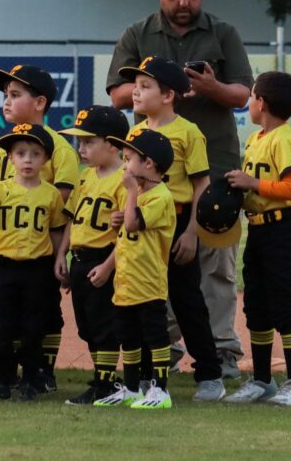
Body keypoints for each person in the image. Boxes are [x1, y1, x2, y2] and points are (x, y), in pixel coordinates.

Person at [107, 0, 253, 378]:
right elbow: (117, 94)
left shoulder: (222, 33)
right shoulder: (137, 34)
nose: (185, 2)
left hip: (217, 167)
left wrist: (210, 86)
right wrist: (158, 84)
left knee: (216, 264)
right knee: (154, 257)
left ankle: (223, 349)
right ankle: (163, 342)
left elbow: (243, 94)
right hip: (153, 176)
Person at [121, 56, 225, 402]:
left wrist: (193, 232)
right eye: (135, 85)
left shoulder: (187, 132)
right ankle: (147, 378)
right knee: (143, 298)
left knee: (186, 300)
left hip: (176, 221)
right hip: (141, 221)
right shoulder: (135, 133)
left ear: (168, 95)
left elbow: (201, 186)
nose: (135, 92)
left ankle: (210, 375)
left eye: (145, 86)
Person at [0, 64, 80, 391]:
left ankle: (41, 372)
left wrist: (58, 254)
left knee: (43, 314)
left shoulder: (58, 147)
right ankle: (6, 374)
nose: (6, 102)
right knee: (4, 316)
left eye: (15, 95)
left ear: (39, 103)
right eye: (5, 95)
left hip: (41, 247)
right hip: (3, 247)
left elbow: (59, 203)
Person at [224, 72, 291, 406]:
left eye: (252, 96)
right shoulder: (257, 139)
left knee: (284, 307)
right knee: (256, 307)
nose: (249, 102)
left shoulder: (283, 139)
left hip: (282, 232)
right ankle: (262, 380)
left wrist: (251, 184)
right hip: (258, 230)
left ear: (262, 102)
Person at [0, 123, 68, 402]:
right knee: (2, 324)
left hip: (37, 267)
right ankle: (3, 377)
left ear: (45, 160)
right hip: (4, 265)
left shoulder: (50, 194)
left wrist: (60, 258)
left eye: (35, 154)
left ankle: (31, 379)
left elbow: (58, 228)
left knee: (33, 325)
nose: (27, 160)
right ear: (10, 158)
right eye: (20, 153)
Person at [93, 128, 176, 409]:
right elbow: (127, 227)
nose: (125, 165)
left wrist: (129, 194)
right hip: (127, 280)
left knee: (154, 335)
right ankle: (130, 389)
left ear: (149, 164)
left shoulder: (161, 195)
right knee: (126, 334)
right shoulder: (139, 193)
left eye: (129, 159)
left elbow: (133, 224)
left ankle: (160, 390)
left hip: (148, 280)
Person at [55, 106, 129, 405]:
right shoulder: (86, 176)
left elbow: (126, 233)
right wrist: (62, 254)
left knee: (104, 326)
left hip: (104, 259)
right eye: (80, 143)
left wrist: (109, 266)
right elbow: (74, 218)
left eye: (88, 142)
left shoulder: (126, 179)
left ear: (112, 145)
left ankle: (106, 384)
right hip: (80, 259)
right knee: (87, 326)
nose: (81, 149)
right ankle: (105, 380)